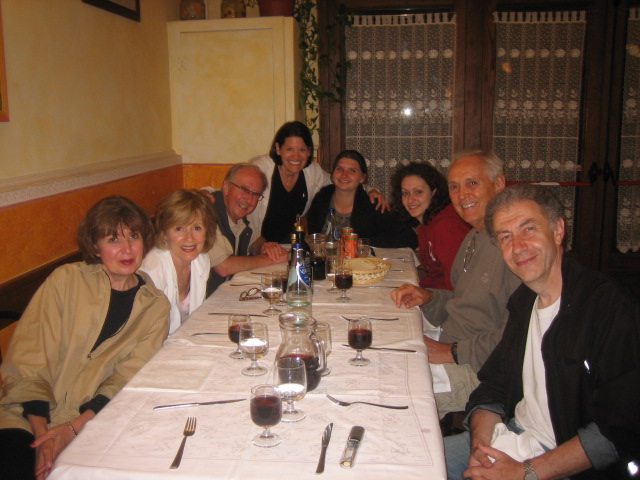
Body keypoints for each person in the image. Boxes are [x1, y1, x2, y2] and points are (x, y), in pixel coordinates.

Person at [445, 184, 640, 480]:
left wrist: (524, 472)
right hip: (513, 438)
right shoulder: (524, 302)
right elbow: (494, 385)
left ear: (558, 231)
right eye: (506, 237)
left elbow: (619, 429)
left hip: (564, 464)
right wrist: (481, 447)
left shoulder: (608, 308)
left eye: (529, 229)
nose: (518, 246)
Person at [0, 196, 170, 480]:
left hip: (94, 422)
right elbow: (28, 360)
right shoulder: (65, 281)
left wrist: (72, 428)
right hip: (26, 416)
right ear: (95, 246)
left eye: (134, 236)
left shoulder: (155, 305)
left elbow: (126, 378)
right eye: (113, 239)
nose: (127, 249)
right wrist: (43, 438)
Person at [391, 150, 521, 417]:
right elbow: (463, 299)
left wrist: (452, 352)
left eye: (472, 183)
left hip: (480, 369)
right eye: (455, 187)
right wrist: (429, 297)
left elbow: (520, 335)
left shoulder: (515, 250)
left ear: (498, 184)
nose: (462, 195)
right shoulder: (474, 236)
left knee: (390, 392)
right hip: (451, 342)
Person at [243, 121, 388, 243]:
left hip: (287, 245)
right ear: (278, 148)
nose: (296, 156)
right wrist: (259, 244)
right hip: (255, 243)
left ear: (309, 151)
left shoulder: (312, 172)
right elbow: (243, 211)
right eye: (289, 149)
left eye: (302, 149)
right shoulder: (260, 169)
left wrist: (370, 190)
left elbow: (340, 180)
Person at [140, 190, 217, 335]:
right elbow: (146, 333)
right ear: (164, 233)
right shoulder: (152, 271)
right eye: (179, 229)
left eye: (197, 228)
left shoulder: (201, 260)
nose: (189, 238)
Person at [306, 150, 418, 248]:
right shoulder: (322, 197)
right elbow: (311, 234)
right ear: (332, 174)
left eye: (352, 170)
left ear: (362, 178)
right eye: (339, 169)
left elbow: (410, 238)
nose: (344, 174)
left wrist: (363, 242)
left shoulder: (373, 203)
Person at [206, 163, 289, 293]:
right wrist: (269, 259)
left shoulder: (242, 214)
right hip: (204, 299)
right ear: (226, 187)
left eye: (256, 194)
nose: (249, 199)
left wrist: (265, 247)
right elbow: (223, 267)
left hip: (229, 291)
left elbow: (256, 241)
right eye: (244, 189)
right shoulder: (207, 214)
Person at [391, 162, 471, 290]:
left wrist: (424, 294)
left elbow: (460, 282)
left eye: (418, 192)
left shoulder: (446, 227)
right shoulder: (425, 225)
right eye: (405, 193)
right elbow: (435, 275)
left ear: (434, 192)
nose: (410, 199)